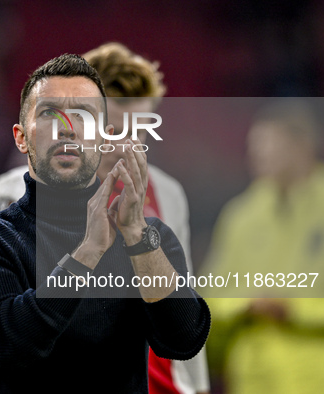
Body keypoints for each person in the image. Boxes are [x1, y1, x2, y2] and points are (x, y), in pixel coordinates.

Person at [0, 53, 210, 393]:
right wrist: (89, 250)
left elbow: (183, 340)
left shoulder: (147, 237)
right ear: (21, 137)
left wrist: (135, 235)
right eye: (48, 113)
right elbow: (10, 345)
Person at [83, 42, 211, 394]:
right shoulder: (24, 191)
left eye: (137, 130)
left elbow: (183, 291)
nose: (125, 144)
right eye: (112, 129)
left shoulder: (167, 192)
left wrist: (196, 385)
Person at [200, 98, 324, 393]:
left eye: (267, 144)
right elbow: (210, 299)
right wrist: (245, 305)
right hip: (251, 376)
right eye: (253, 145)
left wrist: (295, 311)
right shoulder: (240, 216)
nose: (255, 154)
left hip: (318, 376)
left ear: (302, 145)